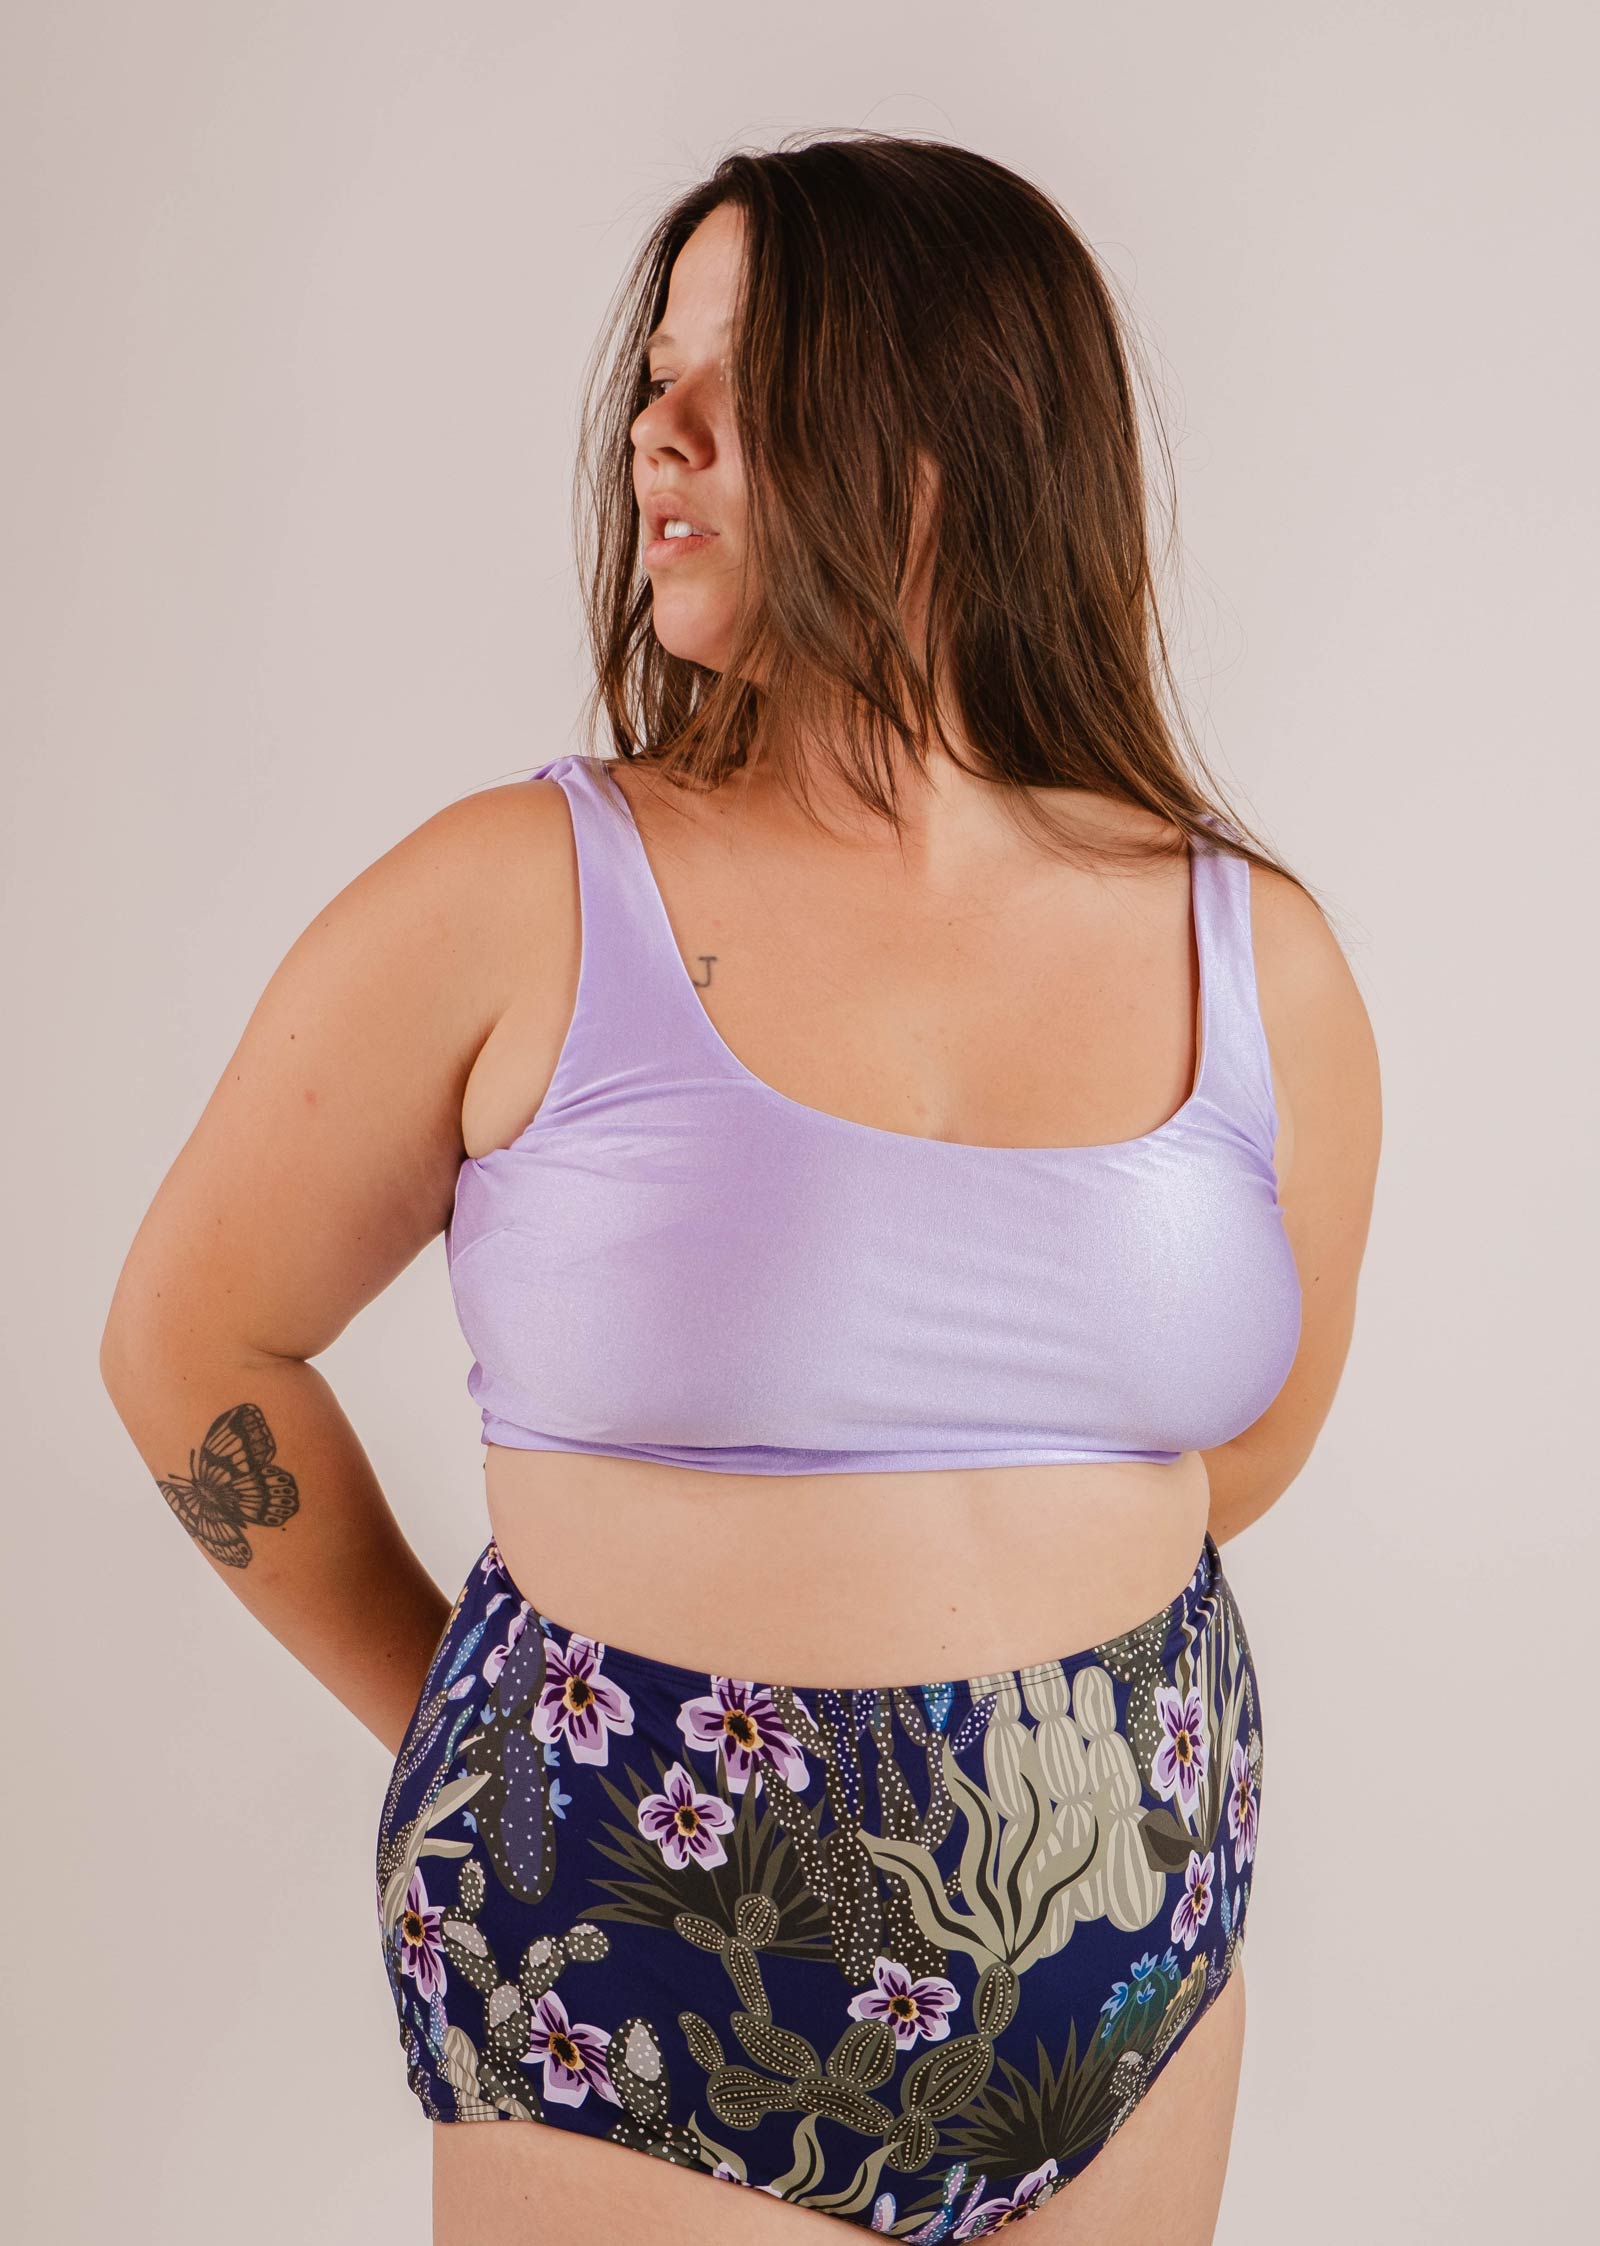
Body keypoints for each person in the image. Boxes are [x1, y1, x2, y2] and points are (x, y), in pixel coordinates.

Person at [100, 135, 1380, 2244]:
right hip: (639, 1976)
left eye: (737, 376)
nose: (650, 431)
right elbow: (183, 1344)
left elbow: (1236, 1448)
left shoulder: (1256, 954)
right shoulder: (521, 894)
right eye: (653, 373)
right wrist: (467, 1719)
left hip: (1133, 1964)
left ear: (949, 435)